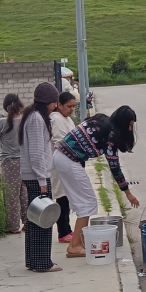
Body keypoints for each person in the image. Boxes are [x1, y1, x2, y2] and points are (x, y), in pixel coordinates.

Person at [63, 105, 142, 257]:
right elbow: (115, 168)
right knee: (88, 203)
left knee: (84, 203)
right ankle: (75, 246)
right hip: (69, 160)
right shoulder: (111, 134)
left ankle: (77, 243)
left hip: (66, 158)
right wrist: (128, 194)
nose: (131, 129)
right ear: (123, 122)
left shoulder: (101, 121)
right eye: (130, 125)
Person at [19, 82, 61, 272]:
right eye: (54, 102)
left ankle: (33, 261)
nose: (56, 106)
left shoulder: (33, 116)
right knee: (44, 219)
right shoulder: (37, 119)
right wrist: (43, 180)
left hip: (35, 176)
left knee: (35, 219)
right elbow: (36, 152)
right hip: (38, 178)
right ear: (48, 101)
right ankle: (43, 263)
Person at [0, 94, 25, 234]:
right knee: (25, 193)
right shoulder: (24, 120)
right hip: (24, 161)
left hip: (8, 162)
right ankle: (28, 222)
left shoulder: (2, 122)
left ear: (5, 107)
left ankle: (13, 226)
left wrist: (4, 140)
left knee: (11, 194)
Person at [49, 91, 78, 243]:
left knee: (67, 198)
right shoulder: (56, 118)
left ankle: (67, 229)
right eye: (69, 106)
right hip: (59, 164)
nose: (72, 109)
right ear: (59, 105)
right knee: (62, 198)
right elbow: (60, 142)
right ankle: (62, 232)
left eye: (74, 106)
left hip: (68, 163)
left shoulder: (67, 119)